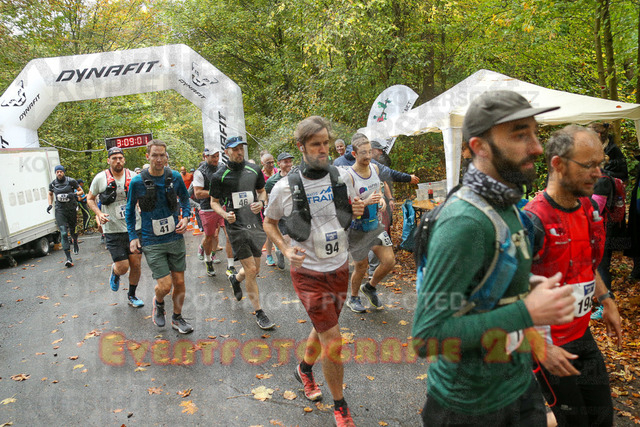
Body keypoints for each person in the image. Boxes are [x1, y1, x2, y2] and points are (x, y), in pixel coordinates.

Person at [412, 90, 577, 426]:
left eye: (535, 133)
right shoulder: (465, 222)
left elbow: (485, 294)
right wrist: (526, 311)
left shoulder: (506, 203)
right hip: (469, 408)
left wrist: (524, 289)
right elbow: (427, 337)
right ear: (480, 147)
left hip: (517, 386)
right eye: (520, 135)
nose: (537, 147)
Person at [264, 116, 364, 427]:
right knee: (332, 338)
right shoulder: (284, 187)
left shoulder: (342, 176)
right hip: (307, 272)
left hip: (339, 266)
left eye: (325, 143)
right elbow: (269, 222)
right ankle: (340, 406)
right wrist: (284, 248)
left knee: (324, 327)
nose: (323, 150)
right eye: (315, 144)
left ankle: (304, 369)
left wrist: (358, 207)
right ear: (301, 147)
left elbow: (350, 206)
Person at [524, 125, 622, 427]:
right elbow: (503, 295)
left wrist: (607, 300)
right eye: (589, 165)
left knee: (602, 418)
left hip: (582, 336)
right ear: (558, 164)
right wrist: (541, 348)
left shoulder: (587, 208)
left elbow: (586, 263)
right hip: (548, 345)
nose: (598, 173)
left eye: (600, 164)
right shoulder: (533, 221)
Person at [125, 140, 193, 334]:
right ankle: (159, 301)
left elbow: (185, 199)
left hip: (175, 237)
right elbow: (130, 211)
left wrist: (186, 218)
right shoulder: (137, 182)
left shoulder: (175, 177)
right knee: (165, 285)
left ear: (166, 156)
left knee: (179, 282)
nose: (159, 159)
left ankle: (177, 318)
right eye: (155, 155)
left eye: (162, 155)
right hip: (151, 240)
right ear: (148, 156)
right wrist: (132, 236)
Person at [210, 136, 275, 330]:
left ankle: (235, 278)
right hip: (235, 225)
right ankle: (259, 312)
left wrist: (261, 202)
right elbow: (214, 202)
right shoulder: (219, 176)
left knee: (256, 269)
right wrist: (224, 214)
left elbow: (262, 191)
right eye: (235, 149)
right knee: (251, 270)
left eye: (241, 148)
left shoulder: (254, 169)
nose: (239, 152)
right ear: (227, 152)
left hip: (254, 223)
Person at [87, 147, 143, 307]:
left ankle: (132, 295)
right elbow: (90, 198)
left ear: (124, 160)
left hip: (134, 227)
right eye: (114, 158)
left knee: (136, 264)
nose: (118, 161)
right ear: (108, 160)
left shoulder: (134, 176)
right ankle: (115, 271)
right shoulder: (100, 178)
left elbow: (142, 195)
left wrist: (140, 206)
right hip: (112, 229)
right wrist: (99, 213)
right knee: (123, 267)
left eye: (120, 158)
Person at [344, 135, 395, 313]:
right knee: (361, 266)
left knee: (389, 261)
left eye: (369, 152)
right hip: (357, 229)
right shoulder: (349, 176)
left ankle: (370, 287)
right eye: (363, 153)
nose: (368, 156)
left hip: (375, 225)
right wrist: (366, 202)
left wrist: (381, 200)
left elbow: (377, 190)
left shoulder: (374, 168)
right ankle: (353, 298)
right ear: (354, 154)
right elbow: (346, 209)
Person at [192, 148, 228, 276]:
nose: (216, 159)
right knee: (210, 236)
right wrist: (215, 193)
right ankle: (208, 260)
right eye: (213, 156)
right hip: (207, 208)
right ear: (205, 157)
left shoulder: (222, 167)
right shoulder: (199, 172)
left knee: (228, 234)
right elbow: (197, 193)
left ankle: (230, 265)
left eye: (217, 156)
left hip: (223, 206)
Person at [264, 151, 295, 269]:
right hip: (280, 213)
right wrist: (267, 207)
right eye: (286, 162)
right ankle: (284, 255)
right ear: (279, 164)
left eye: (290, 161)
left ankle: (281, 251)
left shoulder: (296, 176)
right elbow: (266, 195)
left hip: (294, 212)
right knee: (286, 238)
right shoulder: (272, 181)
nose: (289, 164)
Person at [47, 165, 82, 267]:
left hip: (71, 209)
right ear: (55, 173)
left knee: (73, 230)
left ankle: (75, 241)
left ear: (63, 172)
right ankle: (68, 258)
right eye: (57, 172)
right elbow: (50, 194)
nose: (59, 173)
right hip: (60, 210)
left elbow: (81, 191)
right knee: (63, 233)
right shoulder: (53, 184)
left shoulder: (71, 181)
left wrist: (74, 195)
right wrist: (50, 204)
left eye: (60, 171)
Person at [261, 152, 279, 266]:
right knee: (269, 232)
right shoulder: (261, 175)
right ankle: (269, 256)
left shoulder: (277, 171)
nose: (271, 165)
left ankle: (279, 250)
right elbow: (260, 192)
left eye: (272, 162)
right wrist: (265, 203)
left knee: (280, 229)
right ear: (263, 163)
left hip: (279, 204)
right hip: (267, 206)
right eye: (268, 163)